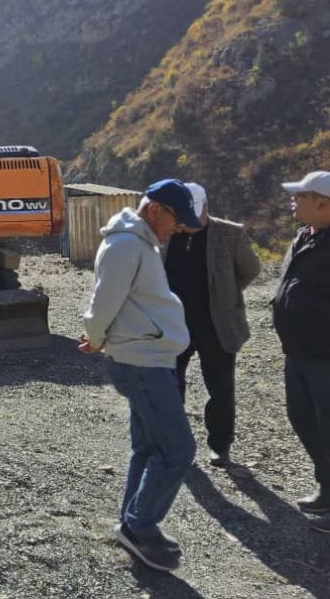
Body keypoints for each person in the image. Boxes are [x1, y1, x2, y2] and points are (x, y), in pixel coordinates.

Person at [79, 179, 203, 572]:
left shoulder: (137, 241)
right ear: (155, 210)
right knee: (178, 449)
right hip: (142, 361)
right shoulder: (128, 244)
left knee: (150, 446)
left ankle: (133, 523)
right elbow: (104, 300)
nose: (177, 229)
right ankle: (141, 527)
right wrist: (96, 338)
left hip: (146, 356)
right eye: (175, 220)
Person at [165, 183, 261, 468]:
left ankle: (220, 446)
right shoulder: (166, 233)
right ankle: (175, 443)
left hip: (216, 324)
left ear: (205, 206)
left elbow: (250, 270)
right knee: (169, 385)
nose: (185, 222)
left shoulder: (230, 233)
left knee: (220, 389)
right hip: (172, 324)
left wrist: (225, 295)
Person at [273, 170, 330, 534]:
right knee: (304, 419)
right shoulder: (305, 236)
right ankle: (327, 488)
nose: (294, 200)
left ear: (323, 203)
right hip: (297, 352)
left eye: (301, 196)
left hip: (325, 355)